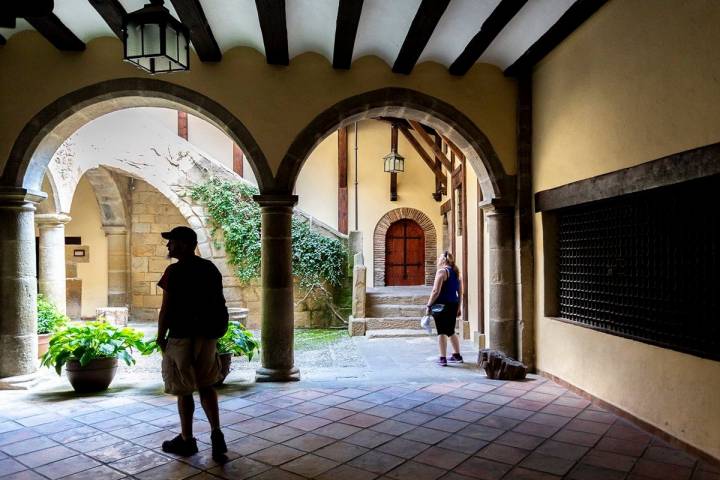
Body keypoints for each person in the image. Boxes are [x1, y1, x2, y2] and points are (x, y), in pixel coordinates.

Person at [155, 226, 229, 462]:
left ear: (186, 245)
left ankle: (187, 440)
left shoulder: (173, 272)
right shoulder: (210, 269)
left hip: (181, 337)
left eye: (172, 242)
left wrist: (160, 336)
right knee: (207, 385)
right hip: (207, 337)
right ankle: (217, 434)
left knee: (184, 389)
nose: (168, 246)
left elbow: (166, 309)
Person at [425, 251, 463, 366]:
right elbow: (460, 293)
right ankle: (457, 355)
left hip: (441, 305)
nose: (438, 260)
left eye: (439, 258)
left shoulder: (441, 272)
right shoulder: (456, 273)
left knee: (441, 331)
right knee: (451, 331)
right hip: (453, 304)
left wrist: (429, 305)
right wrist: (459, 307)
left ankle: (442, 358)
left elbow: (436, 291)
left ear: (443, 260)